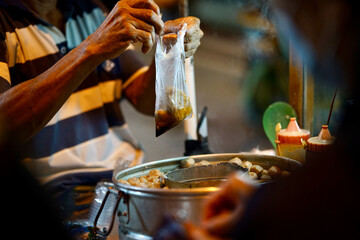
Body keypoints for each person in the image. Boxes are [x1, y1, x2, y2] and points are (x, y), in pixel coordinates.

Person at [0, 0, 203, 220]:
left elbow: (144, 100)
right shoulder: (4, 22)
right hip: (59, 196)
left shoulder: (92, 11)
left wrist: (170, 50)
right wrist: (93, 47)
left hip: (123, 181)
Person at [179, 0, 359, 239]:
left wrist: (268, 209)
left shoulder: (323, 190)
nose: (284, 25)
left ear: (331, 13)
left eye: (286, 10)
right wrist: (258, 199)